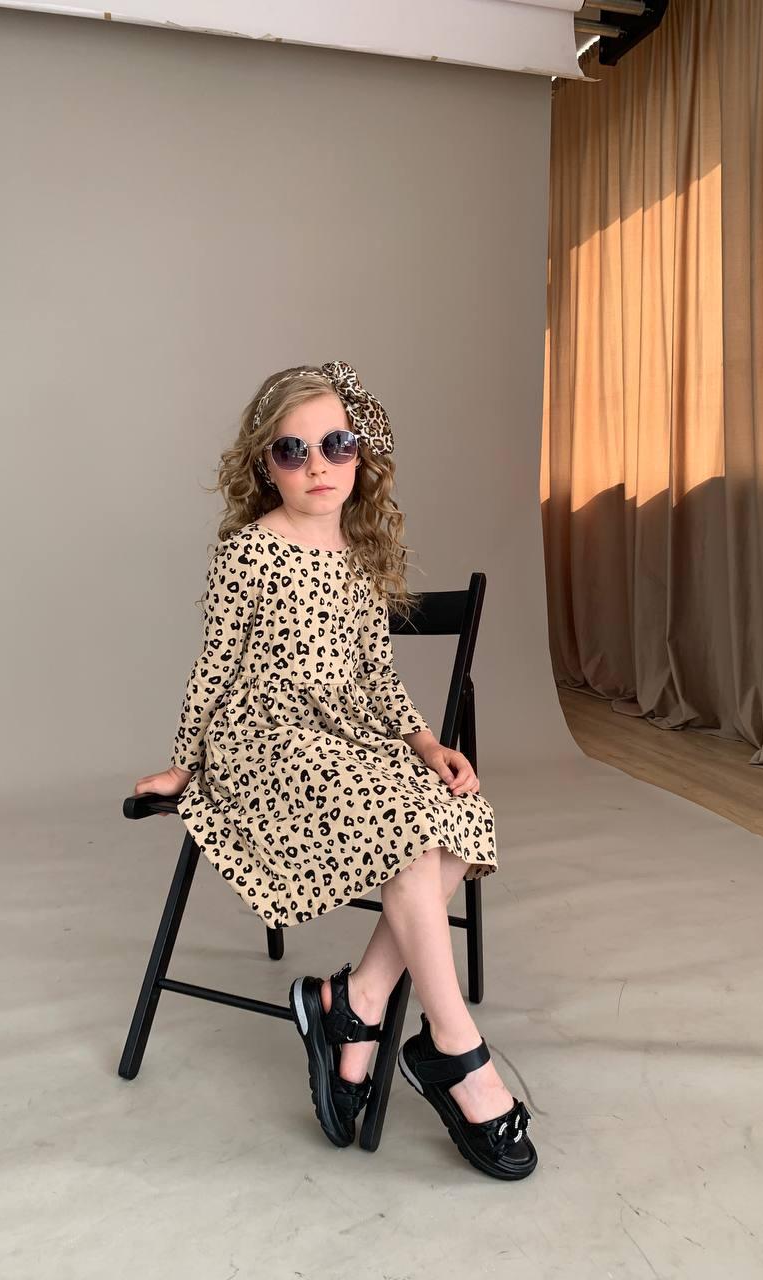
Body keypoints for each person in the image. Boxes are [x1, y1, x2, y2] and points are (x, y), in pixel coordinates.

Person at [134, 361, 536, 1180]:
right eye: (294, 450)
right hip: (265, 740)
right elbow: (213, 667)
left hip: (347, 738)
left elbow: (377, 675)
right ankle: (457, 1052)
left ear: (360, 455)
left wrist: (425, 742)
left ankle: (353, 1003)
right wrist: (182, 764)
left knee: (457, 814)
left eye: (335, 445)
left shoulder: (359, 552)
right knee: (409, 827)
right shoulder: (248, 552)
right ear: (265, 465)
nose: (317, 465)